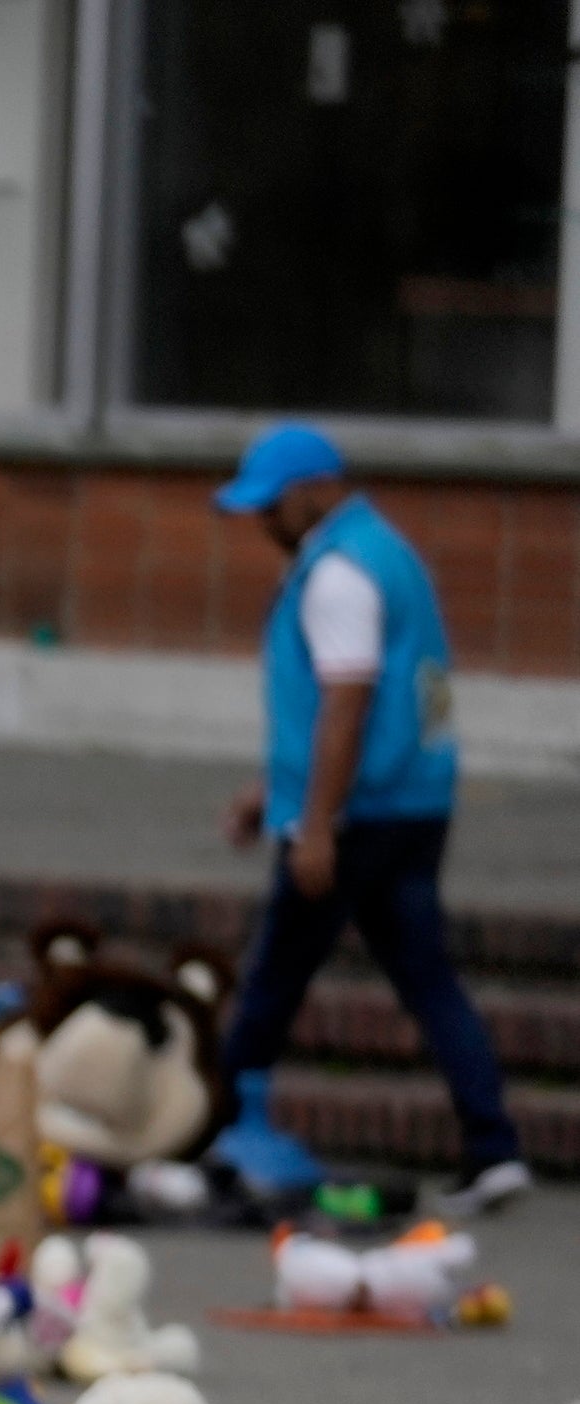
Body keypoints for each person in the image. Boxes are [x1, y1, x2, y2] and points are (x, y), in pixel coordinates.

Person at [210, 423, 528, 1220]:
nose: (263, 522)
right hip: (416, 802)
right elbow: (374, 706)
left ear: (316, 489)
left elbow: (345, 707)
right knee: (426, 977)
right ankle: (494, 1150)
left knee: (275, 973)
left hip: (356, 816)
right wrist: (270, 791)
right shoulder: (388, 552)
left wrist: (315, 823)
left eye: (272, 505)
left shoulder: (336, 574)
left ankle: (216, 1132)